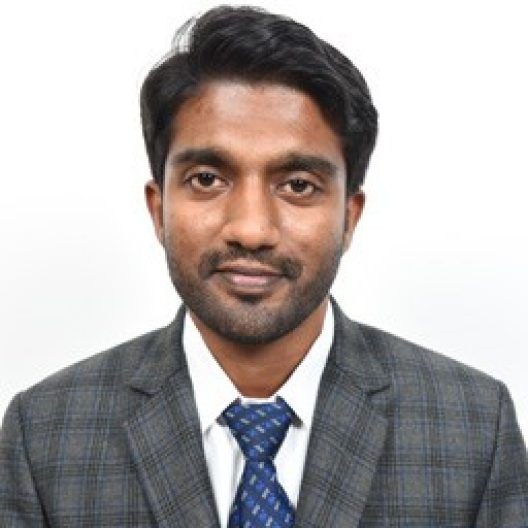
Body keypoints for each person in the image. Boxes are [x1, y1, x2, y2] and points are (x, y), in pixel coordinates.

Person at [1, 5, 527, 527]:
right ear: (159, 210)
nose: (251, 229)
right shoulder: (42, 436)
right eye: (207, 179)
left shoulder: (477, 428)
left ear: (349, 217)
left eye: (298, 185)